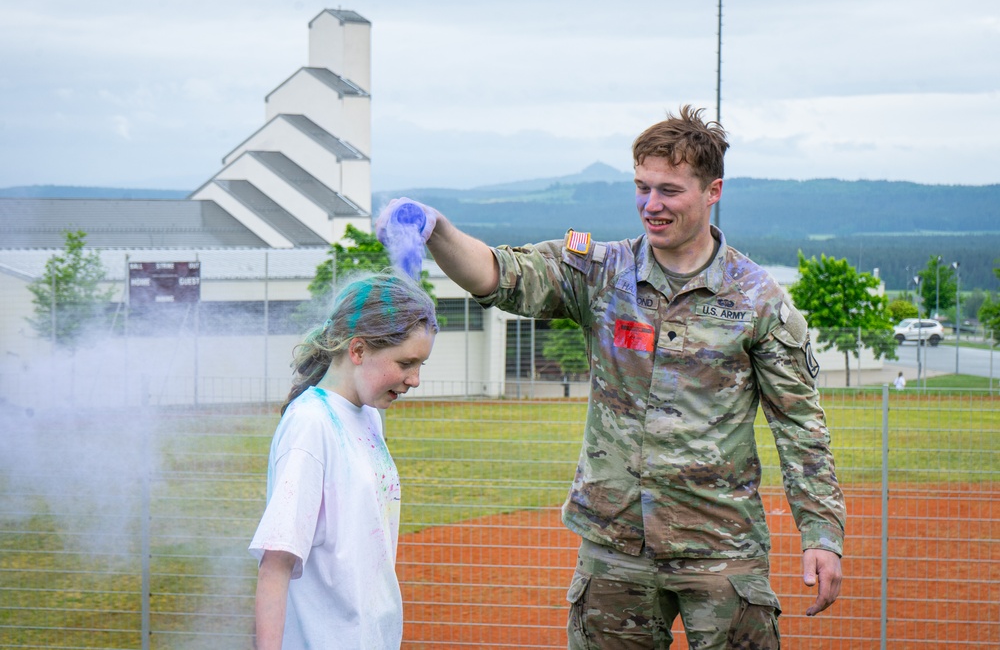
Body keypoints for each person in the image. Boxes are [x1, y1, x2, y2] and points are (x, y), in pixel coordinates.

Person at [377, 105, 846, 649]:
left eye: (669, 191)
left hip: (720, 550)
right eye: (642, 188)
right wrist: (437, 229)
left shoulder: (758, 299)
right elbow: (498, 273)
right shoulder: (601, 273)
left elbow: (801, 429)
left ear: (712, 190)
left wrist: (822, 534)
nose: (652, 205)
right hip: (615, 546)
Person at [249, 272, 438, 650]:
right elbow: (276, 564)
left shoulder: (369, 416)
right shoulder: (310, 425)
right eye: (406, 363)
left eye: (421, 365)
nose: (414, 380)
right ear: (358, 350)